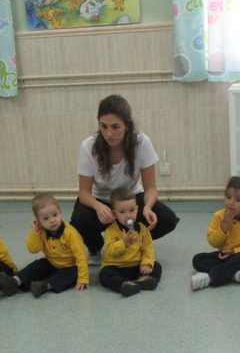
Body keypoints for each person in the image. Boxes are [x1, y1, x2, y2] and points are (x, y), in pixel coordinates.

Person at [72, 94, 179, 261]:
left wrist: (147, 207)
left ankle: (136, 241)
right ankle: (96, 246)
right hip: (99, 199)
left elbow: (150, 188)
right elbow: (84, 193)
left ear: (127, 125)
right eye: (103, 126)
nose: (109, 134)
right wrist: (98, 207)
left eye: (115, 127)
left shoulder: (142, 142)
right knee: (79, 221)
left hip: (130, 199)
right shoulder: (88, 146)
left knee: (167, 219)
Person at [1, 193, 88, 297]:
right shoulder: (41, 232)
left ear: (60, 212)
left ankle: (44, 285)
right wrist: (34, 231)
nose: (52, 220)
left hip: (69, 267)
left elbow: (81, 256)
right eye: (46, 219)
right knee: (37, 265)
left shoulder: (70, 233)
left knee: (74, 274)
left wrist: (83, 278)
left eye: (55, 215)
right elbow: (33, 249)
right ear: (39, 221)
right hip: (51, 263)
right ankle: (14, 282)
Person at [190, 176, 240, 291]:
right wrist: (223, 228)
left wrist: (234, 251)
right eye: (228, 197)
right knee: (197, 260)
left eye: (238, 200)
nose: (231, 203)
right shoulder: (218, 216)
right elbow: (213, 243)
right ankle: (233, 273)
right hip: (224, 256)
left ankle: (210, 277)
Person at [98, 187, 161, 297]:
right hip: (116, 267)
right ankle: (124, 284)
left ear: (137, 209)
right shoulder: (111, 230)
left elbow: (148, 248)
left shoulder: (142, 229)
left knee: (156, 266)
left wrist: (146, 263)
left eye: (131, 210)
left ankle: (145, 279)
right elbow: (110, 251)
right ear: (114, 213)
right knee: (104, 274)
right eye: (122, 212)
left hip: (137, 266)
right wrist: (124, 243)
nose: (128, 215)